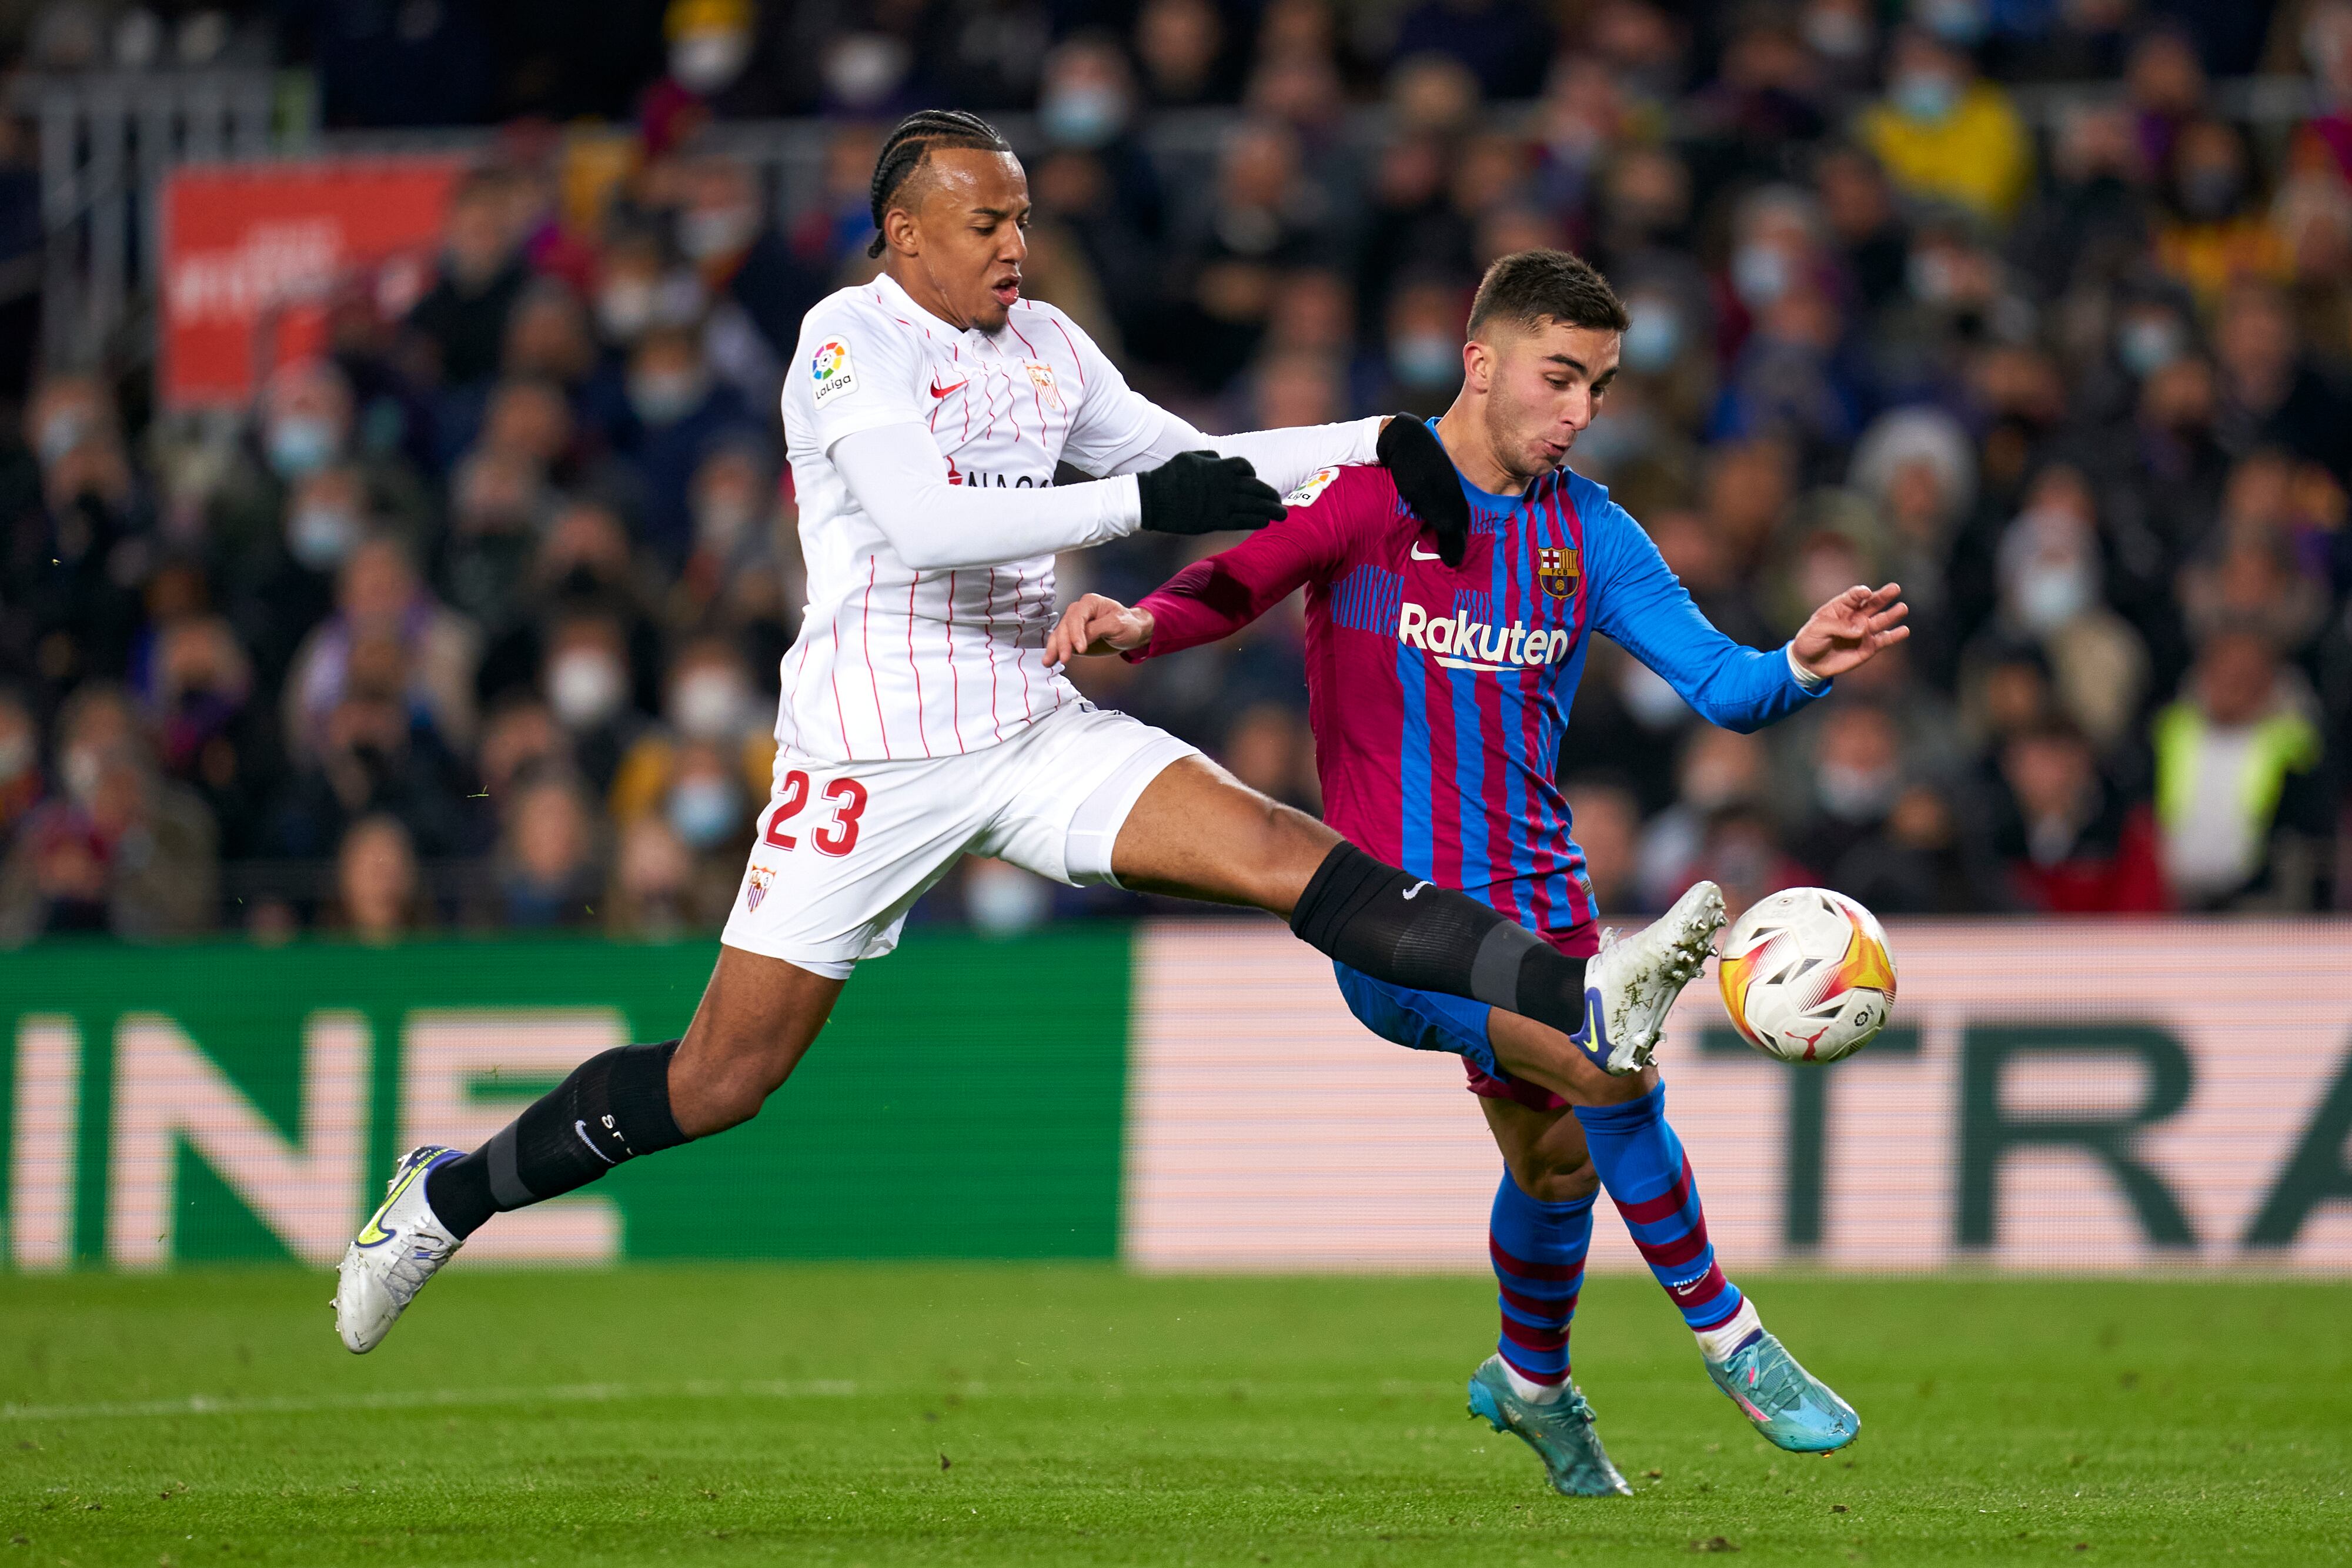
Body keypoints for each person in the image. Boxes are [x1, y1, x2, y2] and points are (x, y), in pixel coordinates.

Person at [333, 112, 1714, 1357]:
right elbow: (942, 523)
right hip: (867, 753)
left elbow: (1199, 463)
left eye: (1025, 219)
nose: (1015, 244)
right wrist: (1143, 504)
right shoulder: (842, 339)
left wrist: (1376, 440)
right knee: (719, 1079)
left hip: (1027, 720)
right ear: (904, 233)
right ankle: (447, 1193)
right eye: (985, 222)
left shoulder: (1050, 343)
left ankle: (1573, 998)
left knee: (1281, 851)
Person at [1045, 249, 1909, 1492]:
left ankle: (1530, 1381)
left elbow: (1724, 688)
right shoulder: (1367, 497)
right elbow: (1236, 581)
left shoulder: (1589, 533)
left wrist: (1803, 661)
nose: (1577, 412)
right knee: (1600, 1061)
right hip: (1390, 920)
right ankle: (1732, 1335)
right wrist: (1142, 621)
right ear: (1480, 362)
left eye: (1598, 388)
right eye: (1558, 378)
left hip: (1546, 906)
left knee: (1554, 1163)